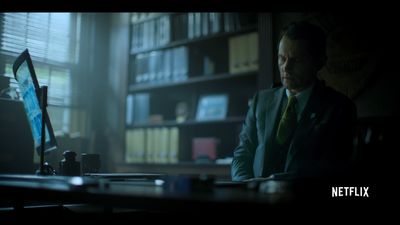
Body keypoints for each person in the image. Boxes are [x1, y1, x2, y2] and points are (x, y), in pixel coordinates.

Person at [231, 21, 357, 182]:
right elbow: (242, 154)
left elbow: (332, 168)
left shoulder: (339, 108)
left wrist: (276, 183)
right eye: (281, 58)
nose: (286, 67)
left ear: (319, 62)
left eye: (296, 61)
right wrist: (245, 186)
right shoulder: (261, 101)